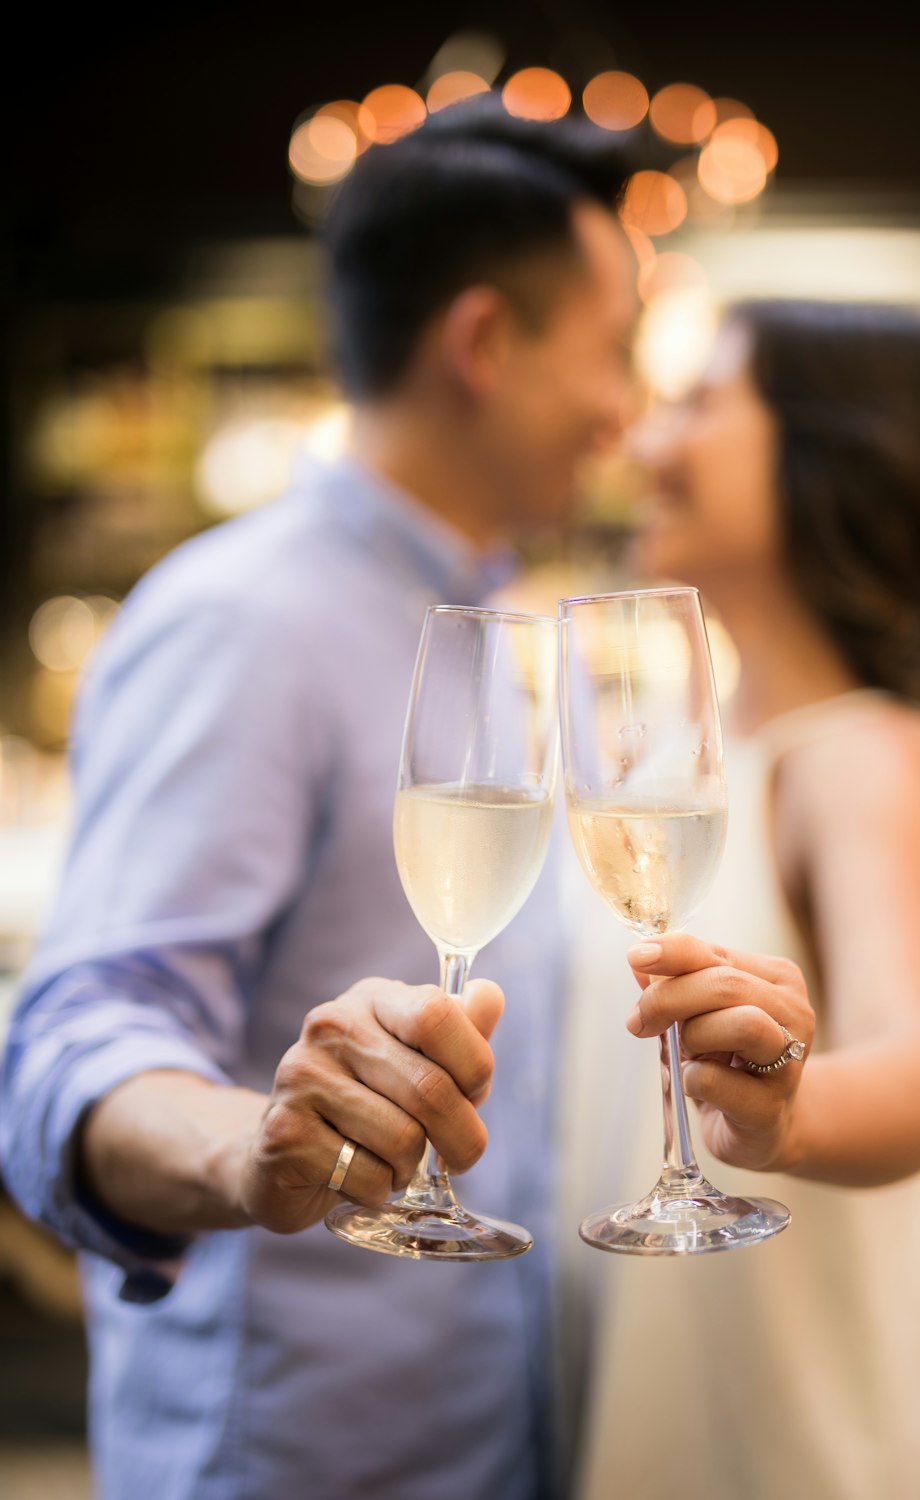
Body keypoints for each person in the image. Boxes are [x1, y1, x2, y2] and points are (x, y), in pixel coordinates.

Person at [0, 102, 643, 1500]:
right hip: (290, 1456)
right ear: (484, 344)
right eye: (614, 352)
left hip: (491, 1440)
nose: (627, 410)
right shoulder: (240, 621)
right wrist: (259, 1149)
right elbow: (69, 1048)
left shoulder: (503, 634)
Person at [560, 299, 920, 1500]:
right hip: (646, 1380)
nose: (648, 445)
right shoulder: (692, 764)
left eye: (701, 402)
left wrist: (787, 1119)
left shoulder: (865, 754)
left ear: (830, 453)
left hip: (777, 1435)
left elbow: (916, 1075)